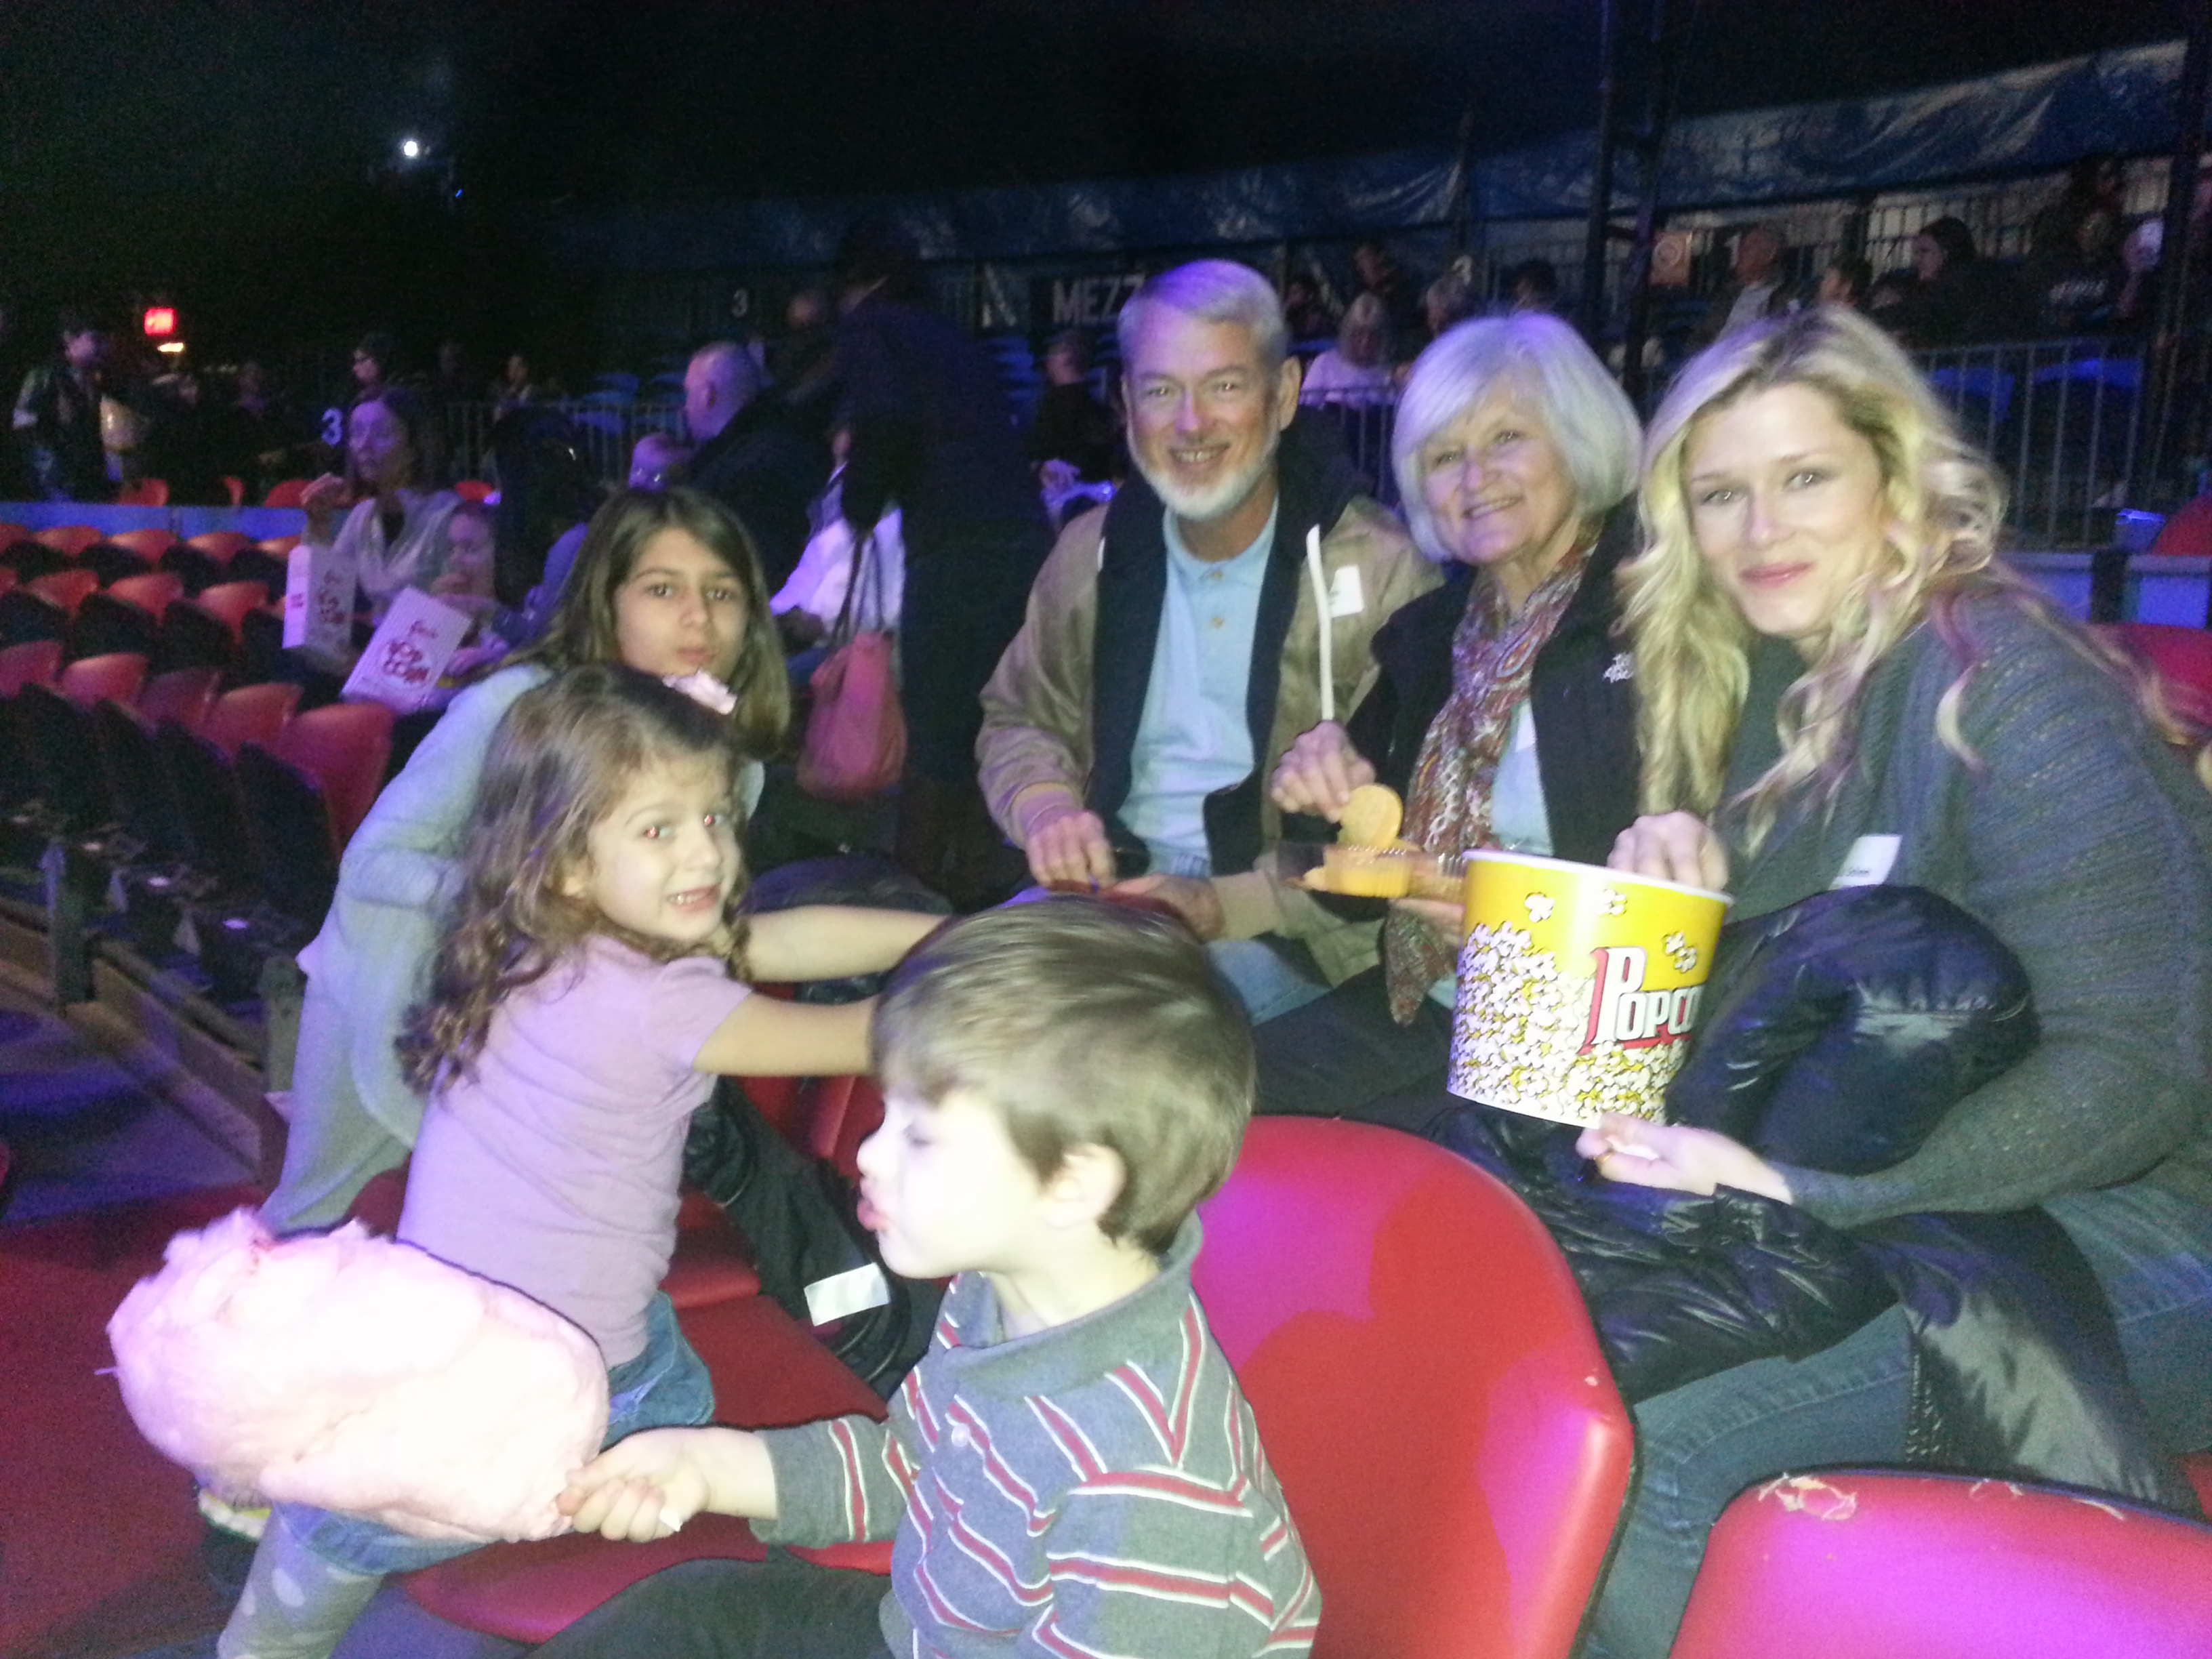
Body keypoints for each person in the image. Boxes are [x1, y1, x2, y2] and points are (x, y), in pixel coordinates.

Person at [1576, 306, 2212, 1658]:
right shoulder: (1760, 699)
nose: (1760, 528)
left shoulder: (2007, 685)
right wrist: (1673, 933)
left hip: (2143, 1218)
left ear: (1895, 479)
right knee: (1539, 1360)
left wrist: (1813, 1193)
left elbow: (2136, 1078)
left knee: (1641, 1457)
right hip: (1913, 1204)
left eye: (1804, 477)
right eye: (1720, 494)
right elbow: (1771, 1051)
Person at [216, 665, 942, 1659]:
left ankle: (275, 1613)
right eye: (659, 829)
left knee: (630, 1406)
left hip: (454, 1318)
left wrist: (957, 933)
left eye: (715, 819)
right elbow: (869, 1035)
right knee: (373, 1515)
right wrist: (999, 969)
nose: (706, 852)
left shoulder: (545, 934)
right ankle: (278, 1621)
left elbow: (775, 937)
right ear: (564, 863)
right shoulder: (651, 998)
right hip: (548, 1367)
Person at [533, 897, 1320, 1659]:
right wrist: (707, 1469)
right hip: (925, 1631)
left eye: (922, 1137)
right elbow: (912, 1466)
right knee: (691, 1613)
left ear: (1071, 1184)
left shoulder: (1143, 1482)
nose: (869, 1154)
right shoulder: (997, 1296)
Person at [260, 487, 791, 1233]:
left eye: (723, 592)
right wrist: (527, 900)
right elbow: (374, 861)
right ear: (606, 600)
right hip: (389, 987)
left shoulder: (731, 763)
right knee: (316, 1223)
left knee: (495, 1250)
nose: (698, 616)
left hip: (536, 1035)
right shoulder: (517, 704)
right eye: (663, 589)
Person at [978, 259, 1437, 1021]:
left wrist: (1227, 903)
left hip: (1286, 925)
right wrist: (1047, 808)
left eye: (1224, 386)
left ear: (1283, 395)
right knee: (944, 1000)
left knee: (1106, 1033)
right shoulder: (1091, 555)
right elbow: (1020, 715)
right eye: (1161, 391)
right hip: (1107, 894)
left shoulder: (1381, 570)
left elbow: (1412, 832)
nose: (1190, 424)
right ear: (1126, 404)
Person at [1252, 311, 1643, 1119]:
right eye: (1443, 456)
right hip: (1425, 1000)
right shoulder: (1431, 639)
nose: (1474, 477)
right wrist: (1323, 798)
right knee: (1203, 1099)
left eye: (1507, 438)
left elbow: (1705, 889)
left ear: (1578, 439)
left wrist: (1516, 928)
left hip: (1582, 1036)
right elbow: (1331, 884)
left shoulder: (1652, 622)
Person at [834, 216, 1053, 907]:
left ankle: (914, 895)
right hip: (1020, 534)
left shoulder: (873, 326)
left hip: (957, 541)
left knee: (936, 723)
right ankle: (978, 885)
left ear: (855, 280)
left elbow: (886, 417)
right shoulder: (948, 333)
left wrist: (860, 502)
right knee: (990, 711)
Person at [296, 384, 463, 624]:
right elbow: (327, 600)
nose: (364, 444)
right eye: (356, 432)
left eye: (381, 433)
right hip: (369, 641)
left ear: (413, 447)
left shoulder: (449, 515)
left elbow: (457, 612)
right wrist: (318, 527)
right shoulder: (362, 515)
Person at [682, 339, 824, 594]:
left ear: (707, 395)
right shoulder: (781, 439)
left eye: (688, 393)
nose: (685, 407)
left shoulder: (746, 469)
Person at [12, 308, 108, 501]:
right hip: (54, 488)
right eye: (95, 339)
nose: (103, 347)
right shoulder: (43, 376)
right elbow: (26, 432)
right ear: (70, 338)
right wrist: (53, 478)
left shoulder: (97, 381)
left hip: (88, 484)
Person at [1027, 327, 1120, 485]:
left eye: (1052, 355)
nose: (1047, 362)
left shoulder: (1051, 407)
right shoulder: (1098, 410)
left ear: (1065, 360)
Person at [1691, 224, 1795, 346]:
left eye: (1748, 248)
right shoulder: (1728, 294)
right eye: (1741, 247)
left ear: (1769, 256)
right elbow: (1704, 333)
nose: (1740, 253)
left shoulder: (1783, 297)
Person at [1298, 293, 1395, 405]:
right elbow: (1307, 408)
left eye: (1373, 335)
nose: (1365, 341)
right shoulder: (1324, 364)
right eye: (1359, 334)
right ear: (1349, 334)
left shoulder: (1386, 374)